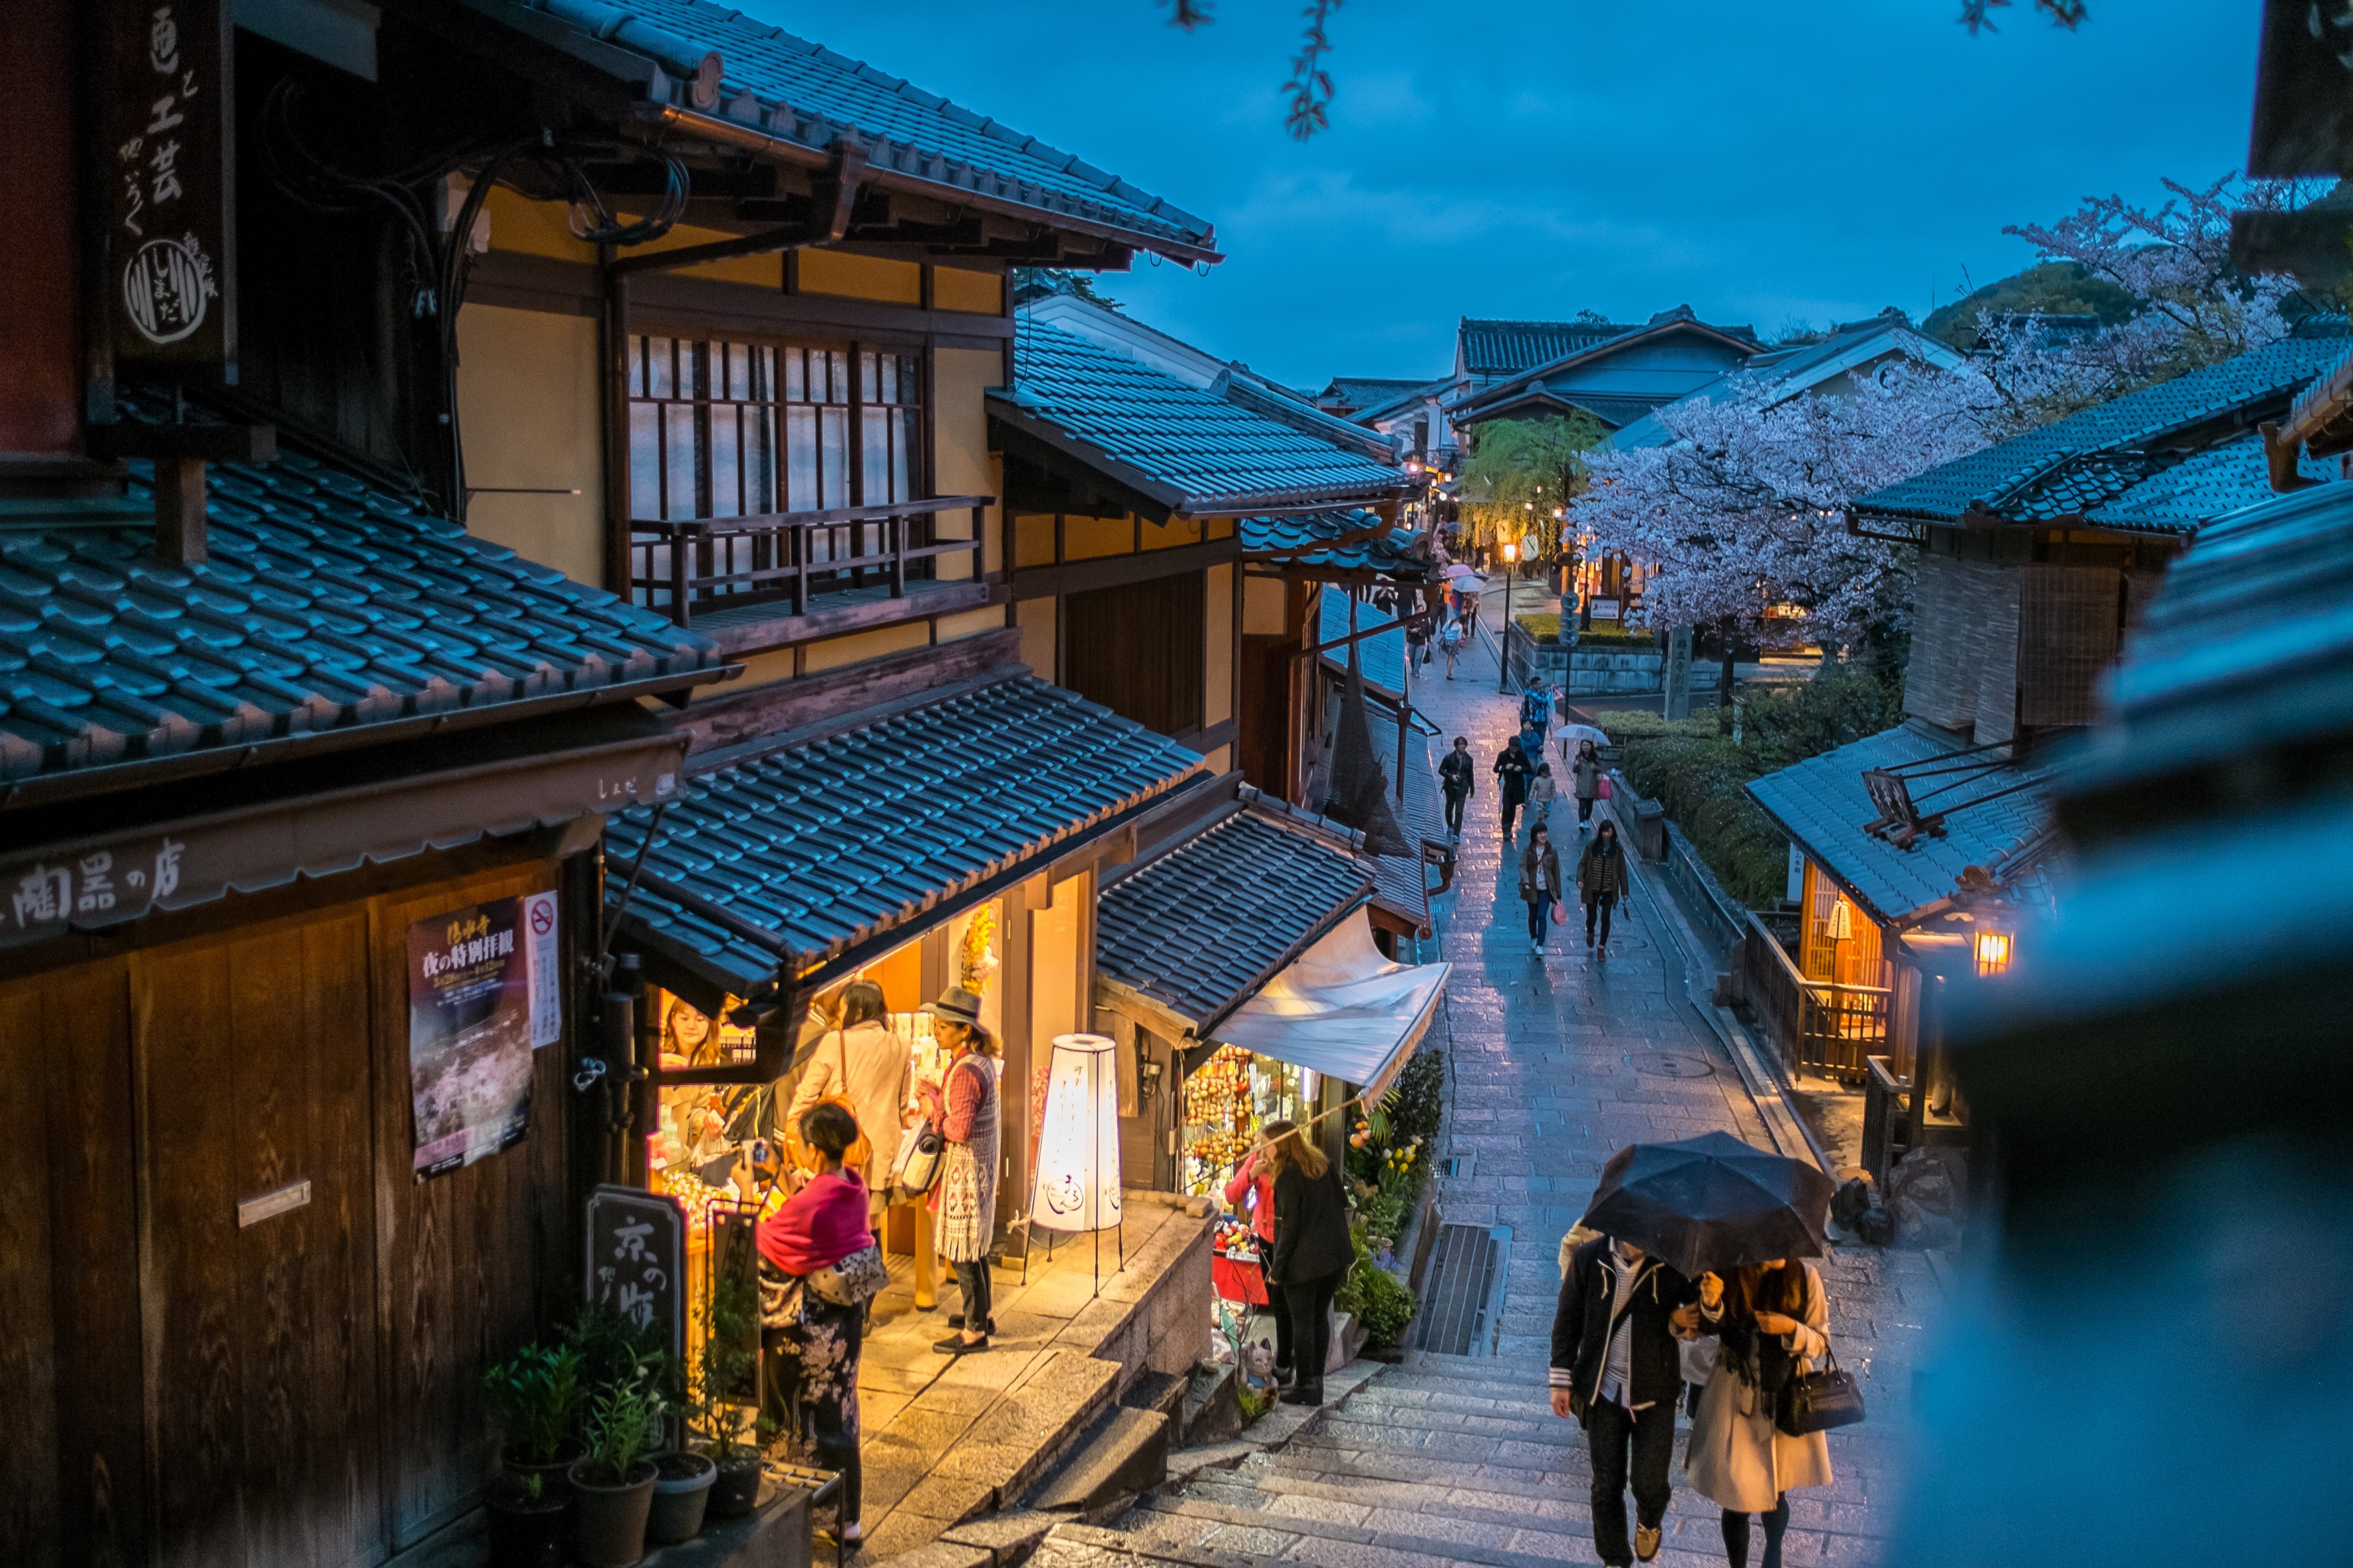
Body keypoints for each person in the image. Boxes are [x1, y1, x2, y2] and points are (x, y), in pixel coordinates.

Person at [758, 1102, 874, 1549]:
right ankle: (847, 1519)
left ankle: (787, 1507)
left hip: (806, 1329)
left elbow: (772, 1242)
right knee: (839, 1413)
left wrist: (759, 1189)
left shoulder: (813, 1201)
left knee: (793, 1413)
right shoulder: (852, 1187)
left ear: (811, 1148)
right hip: (844, 1326)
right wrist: (788, 1183)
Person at [1550, 1230, 1698, 1568]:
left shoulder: (1669, 1262)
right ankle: (1615, 1558)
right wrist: (1561, 1380)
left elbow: (1702, 1316)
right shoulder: (1589, 1259)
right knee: (1606, 1484)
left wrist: (1702, 1308)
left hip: (1654, 1395)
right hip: (1603, 1391)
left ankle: (1649, 1518)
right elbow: (1567, 1320)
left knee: (1649, 1483)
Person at [1674, 1260, 1836, 1568]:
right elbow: (1702, 1330)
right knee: (1734, 1495)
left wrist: (1790, 1328)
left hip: (1786, 1390)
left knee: (1777, 1491)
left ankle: (1773, 1553)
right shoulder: (1723, 1274)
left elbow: (1821, 1341)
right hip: (1735, 1389)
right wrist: (1710, 1303)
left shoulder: (1805, 1277)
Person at [788, 979, 931, 1307]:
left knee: (845, 1228)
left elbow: (806, 1094)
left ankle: (848, 1305)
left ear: (858, 1009)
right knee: (871, 1225)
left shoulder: (835, 1042)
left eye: (842, 1009)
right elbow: (902, 1103)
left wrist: (794, 1131)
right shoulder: (901, 1043)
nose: (840, 1016)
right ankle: (866, 1308)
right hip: (882, 1150)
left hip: (844, 1148)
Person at [916, 986, 999, 1354]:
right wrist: (941, 1094)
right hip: (980, 1169)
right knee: (976, 1244)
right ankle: (981, 1314)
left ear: (965, 1031)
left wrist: (933, 1112)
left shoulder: (966, 1071)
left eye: (944, 1026)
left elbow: (959, 1129)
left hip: (966, 1171)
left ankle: (974, 1330)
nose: (938, 1031)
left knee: (963, 1248)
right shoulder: (978, 1062)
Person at [1266, 1120, 1352, 1406]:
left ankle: (1304, 1384)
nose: (1262, 1150)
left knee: (1303, 1323)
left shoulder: (1287, 1175)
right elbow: (1343, 1200)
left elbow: (1288, 1227)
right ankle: (1316, 1382)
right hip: (1334, 1256)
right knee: (1318, 1319)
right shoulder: (1320, 1163)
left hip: (1305, 1263)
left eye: (1265, 1145)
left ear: (1279, 1145)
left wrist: (1277, 1271)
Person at [1223, 1123, 1292, 1388]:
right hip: (1265, 1239)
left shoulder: (1291, 1167)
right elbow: (1232, 1195)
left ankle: (1286, 1359)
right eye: (1259, 1144)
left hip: (1288, 1240)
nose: (1261, 1149)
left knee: (1284, 1298)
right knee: (1276, 1301)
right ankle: (1284, 1359)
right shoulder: (1257, 1161)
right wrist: (1252, 1174)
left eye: (1266, 1144)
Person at [1579, 818, 1631, 960]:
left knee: (1606, 918)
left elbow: (1622, 871)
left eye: (1609, 831)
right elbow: (1583, 864)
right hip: (1592, 887)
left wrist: (1625, 891)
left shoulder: (1618, 850)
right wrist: (1580, 879)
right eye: (1604, 831)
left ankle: (1601, 947)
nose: (1606, 834)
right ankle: (1590, 931)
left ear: (1613, 832)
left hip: (1609, 890)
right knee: (1591, 916)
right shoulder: (1592, 847)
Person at [1520, 822, 1563, 955]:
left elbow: (1556, 873)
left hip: (1546, 889)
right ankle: (1533, 937)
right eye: (1540, 833)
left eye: (1545, 832)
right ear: (1535, 835)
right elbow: (1522, 866)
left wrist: (1558, 895)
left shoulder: (1552, 851)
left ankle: (1540, 943)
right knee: (1533, 915)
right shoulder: (1528, 850)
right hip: (1532, 888)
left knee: (1541, 915)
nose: (1543, 835)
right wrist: (1526, 882)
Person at [1493, 736, 1531, 840]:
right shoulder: (1503, 755)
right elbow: (1496, 769)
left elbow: (1529, 769)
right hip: (1506, 784)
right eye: (1513, 747)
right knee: (1506, 807)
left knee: (1513, 808)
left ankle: (1509, 828)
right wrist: (1505, 768)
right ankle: (1506, 830)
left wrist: (1522, 769)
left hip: (1517, 785)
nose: (1515, 749)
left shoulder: (1522, 755)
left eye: (1517, 747)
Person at [1439, 736, 1475, 836]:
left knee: (1459, 812)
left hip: (1462, 788)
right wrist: (1451, 776)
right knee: (1449, 807)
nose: (1463, 746)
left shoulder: (1469, 760)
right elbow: (1441, 770)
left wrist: (1472, 788)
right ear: (1456, 746)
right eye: (1461, 744)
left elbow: (1470, 774)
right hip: (1450, 787)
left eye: (1464, 744)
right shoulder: (1449, 758)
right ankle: (1450, 825)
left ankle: (1456, 834)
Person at [1572, 738, 1604, 829]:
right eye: (1584, 745)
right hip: (1581, 785)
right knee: (1582, 804)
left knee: (1590, 804)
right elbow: (1574, 771)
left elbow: (1601, 770)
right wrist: (1576, 765)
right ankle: (1581, 822)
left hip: (1592, 785)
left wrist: (1595, 768)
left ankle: (1587, 819)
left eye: (1588, 745)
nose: (1586, 747)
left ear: (1591, 746)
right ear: (1581, 747)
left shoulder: (1595, 758)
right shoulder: (1578, 757)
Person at [1525, 761, 1559, 842]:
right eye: (1543, 773)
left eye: (1546, 772)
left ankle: (1542, 823)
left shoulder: (1551, 780)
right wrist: (1530, 797)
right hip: (1540, 800)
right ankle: (1540, 825)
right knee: (1541, 813)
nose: (1545, 774)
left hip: (1548, 800)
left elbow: (1553, 789)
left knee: (1547, 813)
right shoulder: (1537, 780)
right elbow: (1533, 789)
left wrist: (1554, 797)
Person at [1439, 614, 1464, 679]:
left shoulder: (1450, 621)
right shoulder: (1460, 626)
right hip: (1453, 643)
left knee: (1448, 657)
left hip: (1447, 641)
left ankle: (1448, 671)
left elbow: (1443, 630)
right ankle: (1448, 674)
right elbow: (1459, 637)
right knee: (1451, 658)